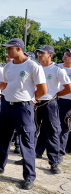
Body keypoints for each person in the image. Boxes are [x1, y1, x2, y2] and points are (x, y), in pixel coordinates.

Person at [0, 38, 47, 190]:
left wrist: (29, 98)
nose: (7, 51)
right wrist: (8, 95)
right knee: (3, 139)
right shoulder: (8, 66)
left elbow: (43, 90)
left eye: (9, 48)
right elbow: (4, 84)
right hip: (6, 106)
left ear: (19, 49)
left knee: (27, 142)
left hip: (23, 108)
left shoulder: (32, 66)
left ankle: (29, 176)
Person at [32, 45, 70, 174]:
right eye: (39, 52)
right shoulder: (35, 67)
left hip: (50, 104)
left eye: (43, 53)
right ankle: (31, 155)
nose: (40, 55)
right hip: (35, 104)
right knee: (32, 131)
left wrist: (56, 94)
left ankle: (54, 162)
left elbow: (68, 88)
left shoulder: (58, 70)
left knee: (53, 132)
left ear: (50, 55)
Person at [58, 48, 71, 159]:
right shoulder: (57, 67)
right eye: (66, 53)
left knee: (64, 128)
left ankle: (60, 152)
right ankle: (40, 150)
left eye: (69, 55)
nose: (66, 55)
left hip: (68, 102)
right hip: (54, 100)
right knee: (49, 126)